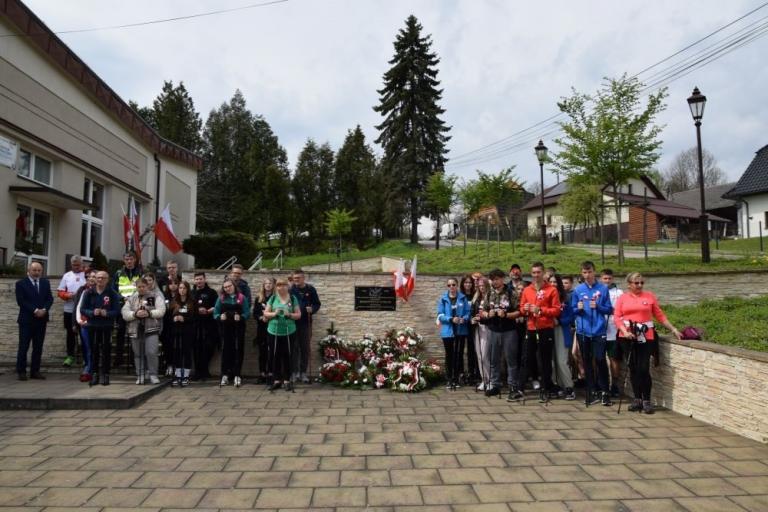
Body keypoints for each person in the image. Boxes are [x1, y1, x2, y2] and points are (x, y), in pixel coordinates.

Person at [614, 272, 682, 414]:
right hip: (628, 336)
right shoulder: (622, 298)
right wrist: (624, 331)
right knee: (633, 367)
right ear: (629, 285)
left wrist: (673, 329)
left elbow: (659, 315)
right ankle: (637, 399)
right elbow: (617, 317)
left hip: (646, 336)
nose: (639, 285)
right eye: (636, 283)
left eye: (641, 283)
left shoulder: (649, 296)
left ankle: (647, 400)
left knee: (643, 368)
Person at [571, 261, 614, 407]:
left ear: (594, 272)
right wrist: (578, 308)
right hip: (583, 331)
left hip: (598, 331)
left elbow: (609, 310)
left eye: (589, 272)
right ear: (581, 274)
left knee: (600, 359)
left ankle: (605, 392)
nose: (587, 275)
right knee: (587, 361)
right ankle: (591, 391)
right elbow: (572, 311)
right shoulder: (578, 290)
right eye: (584, 272)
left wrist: (599, 306)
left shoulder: (603, 289)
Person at [519, 262, 561, 403]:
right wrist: (525, 308)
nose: (536, 275)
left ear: (543, 273)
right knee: (527, 358)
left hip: (545, 328)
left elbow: (556, 310)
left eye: (538, 272)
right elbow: (521, 309)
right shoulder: (527, 290)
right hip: (531, 328)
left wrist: (541, 310)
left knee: (545, 360)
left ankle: (546, 388)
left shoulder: (551, 290)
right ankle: (520, 388)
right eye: (533, 273)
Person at [482, 269, 521, 399]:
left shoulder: (511, 292)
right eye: (492, 279)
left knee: (511, 360)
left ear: (502, 279)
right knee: (494, 359)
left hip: (509, 331)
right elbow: (483, 311)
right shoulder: (489, 293)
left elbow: (519, 311)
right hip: (493, 330)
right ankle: (495, 385)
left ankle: (513, 387)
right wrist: (488, 314)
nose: (494, 281)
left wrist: (506, 315)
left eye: (497, 279)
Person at [122, 277, 166, 385]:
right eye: (139, 287)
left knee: (151, 352)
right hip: (135, 329)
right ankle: (140, 375)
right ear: (136, 287)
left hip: (151, 328)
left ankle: (153, 374)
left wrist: (149, 313)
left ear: (147, 286)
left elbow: (161, 310)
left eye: (143, 286)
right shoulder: (132, 298)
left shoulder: (155, 296)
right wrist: (134, 314)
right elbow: (124, 312)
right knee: (138, 354)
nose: (141, 288)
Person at [80, 271, 121, 385]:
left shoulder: (112, 293)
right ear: (95, 279)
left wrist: (106, 313)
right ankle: (94, 374)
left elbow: (117, 311)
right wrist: (92, 312)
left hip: (106, 326)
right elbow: (82, 309)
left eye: (103, 278)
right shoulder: (89, 292)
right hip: (92, 325)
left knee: (106, 350)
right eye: (98, 278)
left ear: (107, 280)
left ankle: (105, 374)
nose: (100, 280)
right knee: (94, 350)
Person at [15, 261, 54, 380]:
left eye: (39, 270)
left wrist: (44, 310)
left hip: (41, 320)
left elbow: (50, 298)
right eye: (34, 270)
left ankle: (35, 371)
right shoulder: (21, 283)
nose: (37, 272)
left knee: (38, 347)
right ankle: (21, 371)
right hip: (26, 320)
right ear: (29, 270)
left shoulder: (45, 283)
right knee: (24, 346)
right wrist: (35, 310)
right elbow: (21, 301)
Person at [263, 278, 301, 392]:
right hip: (273, 331)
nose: (281, 287)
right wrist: (274, 313)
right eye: (279, 285)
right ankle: (276, 380)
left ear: (287, 286)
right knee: (275, 356)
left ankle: (287, 380)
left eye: (284, 285)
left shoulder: (293, 299)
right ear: (276, 287)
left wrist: (289, 314)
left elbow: (298, 315)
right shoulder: (273, 298)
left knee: (288, 356)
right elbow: (266, 313)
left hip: (289, 331)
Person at [214, 278, 251, 387]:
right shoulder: (221, 298)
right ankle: (225, 374)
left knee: (238, 350)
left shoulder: (241, 297)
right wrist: (220, 316)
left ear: (234, 286)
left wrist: (241, 316)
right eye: (225, 287)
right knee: (226, 350)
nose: (227, 289)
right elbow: (215, 312)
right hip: (225, 329)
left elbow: (247, 312)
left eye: (229, 286)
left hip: (238, 328)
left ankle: (237, 374)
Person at [436, 277, 471, 389]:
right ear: (447, 287)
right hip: (447, 332)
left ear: (457, 286)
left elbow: (468, 312)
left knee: (458, 355)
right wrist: (451, 319)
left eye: (453, 284)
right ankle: (449, 378)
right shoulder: (443, 299)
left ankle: (456, 378)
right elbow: (440, 315)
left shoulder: (463, 298)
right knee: (449, 355)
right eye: (449, 285)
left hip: (461, 331)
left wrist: (463, 319)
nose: (451, 287)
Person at [112, 251, 143, 368]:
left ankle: (134, 359)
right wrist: (122, 298)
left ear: (135, 260)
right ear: (123, 261)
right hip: (122, 306)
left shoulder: (141, 272)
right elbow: (113, 290)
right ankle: (118, 359)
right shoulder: (118, 273)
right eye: (126, 259)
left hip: (136, 306)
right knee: (120, 332)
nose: (129, 261)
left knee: (135, 333)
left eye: (131, 259)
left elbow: (144, 288)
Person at [290, 270, 321, 383]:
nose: (296, 280)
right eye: (294, 278)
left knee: (305, 348)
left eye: (298, 278)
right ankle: (294, 372)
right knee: (294, 348)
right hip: (292, 322)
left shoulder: (310, 289)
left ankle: (303, 373)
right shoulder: (290, 290)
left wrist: (312, 309)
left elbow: (317, 303)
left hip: (305, 323)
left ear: (303, 278)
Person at [550, 274, 575, 400]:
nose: (553, 284)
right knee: (552, 362)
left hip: (561, 329)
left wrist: (559, 321)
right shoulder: (545, 296)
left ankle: (569, 386)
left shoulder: (566, 297)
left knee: (561, 360)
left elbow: (571, 316)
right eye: (551, 282)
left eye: (555, 282)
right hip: (548, 329)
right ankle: (557, 385)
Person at [57, 255, 85, 367]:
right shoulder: (67, 276)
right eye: (74, 265)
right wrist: (68, 295)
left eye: (78, 265)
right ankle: (70, 356)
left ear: (82, 264)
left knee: (84, 334)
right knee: (70, 333)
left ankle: (85, 356)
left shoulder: (86, 275)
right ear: (71, 264)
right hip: (69, 309)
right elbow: (60, 291)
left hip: (83, 310)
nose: (76, 267)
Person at [601, 268, 625, 397]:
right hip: (598, 330)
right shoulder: (597, 291)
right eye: (605, 278)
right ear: (601, 278)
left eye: (609, 278)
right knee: (597, 359)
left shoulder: (619, 293)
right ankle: (600, 384)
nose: (607, 281)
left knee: (614, 358)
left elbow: (622, 311)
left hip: (614, 330)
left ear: (613, 279)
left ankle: (614, 385)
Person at [192, 272, 219, 380]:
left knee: (209, 348)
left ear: (205, 279)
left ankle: (204, 370)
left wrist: (208, 311)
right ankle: (198, 372)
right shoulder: (192, 292)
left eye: (200, 279)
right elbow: (188, 306)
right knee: (196, 349)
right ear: (194, 281)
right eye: (197, 279)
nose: (199, 281)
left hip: (209, 324)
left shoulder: (211, 292)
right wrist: (197, 310)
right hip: (195, 324)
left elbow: (216, 306)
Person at [170, 280, 195, 387]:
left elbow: (195, 317)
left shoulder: (192, 302)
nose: (182, 290)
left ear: (187, 289)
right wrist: (174, 318)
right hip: (176, 331)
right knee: (177, 353)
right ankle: (178, 375)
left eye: (184, 288)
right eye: (180, 288)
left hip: (188, 331)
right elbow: (168, 316)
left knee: (186, 352)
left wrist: (184, 319)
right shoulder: (174, 301)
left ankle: (186, 376)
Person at [73, 269, 97, 382]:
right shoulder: (82, 290)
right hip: (84, 323)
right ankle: (87, 368)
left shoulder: (103, 291)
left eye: (94, 277)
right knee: (86, 347)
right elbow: (77, 307)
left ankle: (94, 369)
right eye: (90, 277)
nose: (92, 279)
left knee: (96, 347)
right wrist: (77, 321)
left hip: (98, 324)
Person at [253, 277, 276, 384]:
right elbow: (255, 313)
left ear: (273, 285)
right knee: (262, 352)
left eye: (270, 283)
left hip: (273, 327)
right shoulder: (259, 298)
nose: (268, 285)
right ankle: (262, 373)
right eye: (266, 283)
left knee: (272, 351)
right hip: (261, 328)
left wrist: (269, 316)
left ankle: (271, 373)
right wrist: (261, 317)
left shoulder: (276, 298)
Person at [471, 276, 491, 392]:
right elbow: (472, 312)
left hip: (488, 328)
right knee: (479, 355)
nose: (482, 288)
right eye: (480, 286)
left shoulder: (491, 297)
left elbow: (491, 315)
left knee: (485, 355)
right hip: (478, 328)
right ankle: (484, 379)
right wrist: (472, 319)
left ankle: (490, 380)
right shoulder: (476, 298)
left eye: (483, 286)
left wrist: (483, 319)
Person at [459, 274, 479, 384]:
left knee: (472, 350)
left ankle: (472, 373)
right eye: (466, 282)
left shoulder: (475, 295)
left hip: (472, 326)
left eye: (470, 282)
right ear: (462, 284)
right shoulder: (459, 296)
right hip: (462, 326)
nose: (468, 284)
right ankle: (461, 373)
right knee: (460, 350)